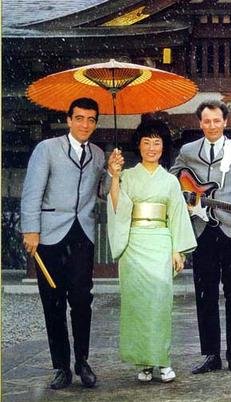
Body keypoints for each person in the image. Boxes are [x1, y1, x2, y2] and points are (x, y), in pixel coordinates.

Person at [20, 97, 121, 389]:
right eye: (79, 118)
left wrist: (112, 172)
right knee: (53, 302)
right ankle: (61, 367)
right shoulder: (47, 149)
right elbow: (32, 191)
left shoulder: (98, 154)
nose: (85, 124)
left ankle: (82, 362)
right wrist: (31, 230)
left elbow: (101, 192)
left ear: (95, 123)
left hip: (82, 235)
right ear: (68, 120)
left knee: (81, 300)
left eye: (91, 119)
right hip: (49, 234)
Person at [170, 100, 231, 374]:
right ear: (200, 123)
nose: (212, 126)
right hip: (201, 230)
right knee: (204, 293)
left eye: (216, 121)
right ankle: (211, 354)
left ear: (225, 122)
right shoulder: (188, 151)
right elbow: (173, 179)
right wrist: (187, 195)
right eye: (206, 121)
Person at [107, 119, 197, 382]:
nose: (151, 147)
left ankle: (163, 360)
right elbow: (118, 207)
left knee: (160, 302)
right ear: (139, 145)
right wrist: (115, 176)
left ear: (163, 146)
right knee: (136, 304)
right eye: (146, 142)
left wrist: (177, 250)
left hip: (160, 241)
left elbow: (176, 215)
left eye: (156, 142)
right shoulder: (127, 176)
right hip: (133, 243)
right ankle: (144, 363)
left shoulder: (170, 181)